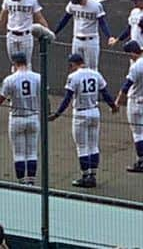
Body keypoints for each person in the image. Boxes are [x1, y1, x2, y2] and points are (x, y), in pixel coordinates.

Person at [48, 53, 117, 189]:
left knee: (82, 147)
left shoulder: (73, 77)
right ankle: (93, 175)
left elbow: (67, 98)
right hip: (94, 111)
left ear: (73, 64)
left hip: (80, 114)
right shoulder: (95, 74)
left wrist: (57, 114)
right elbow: (105, 93)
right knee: (93, 145)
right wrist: (113, 106)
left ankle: (86, 176)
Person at [0, 52, 41, 186]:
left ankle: (21, 182)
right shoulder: (38, 77)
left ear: (14, 64)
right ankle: (31, 182)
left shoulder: (10, 79)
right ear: (26, 63)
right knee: (32, 153)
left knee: (19, 154)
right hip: (33, 117)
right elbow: (44, 98)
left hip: (17, 119)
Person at [113, 41, 143, 173]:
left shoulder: (136, 66)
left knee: (138, 134)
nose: (129, 57)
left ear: (133, 52)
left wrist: (117, 103)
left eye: (129, 54)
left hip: (136, 101)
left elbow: (125, 87)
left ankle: (141, 161)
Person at [53, 0, 110, 70]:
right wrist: (55, 32)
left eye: (80, 0)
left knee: (91, 68)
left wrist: (109, 36)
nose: (78, 3)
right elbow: (65, 19)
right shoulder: (73, 4)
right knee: (75, 67)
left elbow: (102, 22)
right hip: (76, 40)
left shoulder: (95, 5)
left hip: (91, 41)